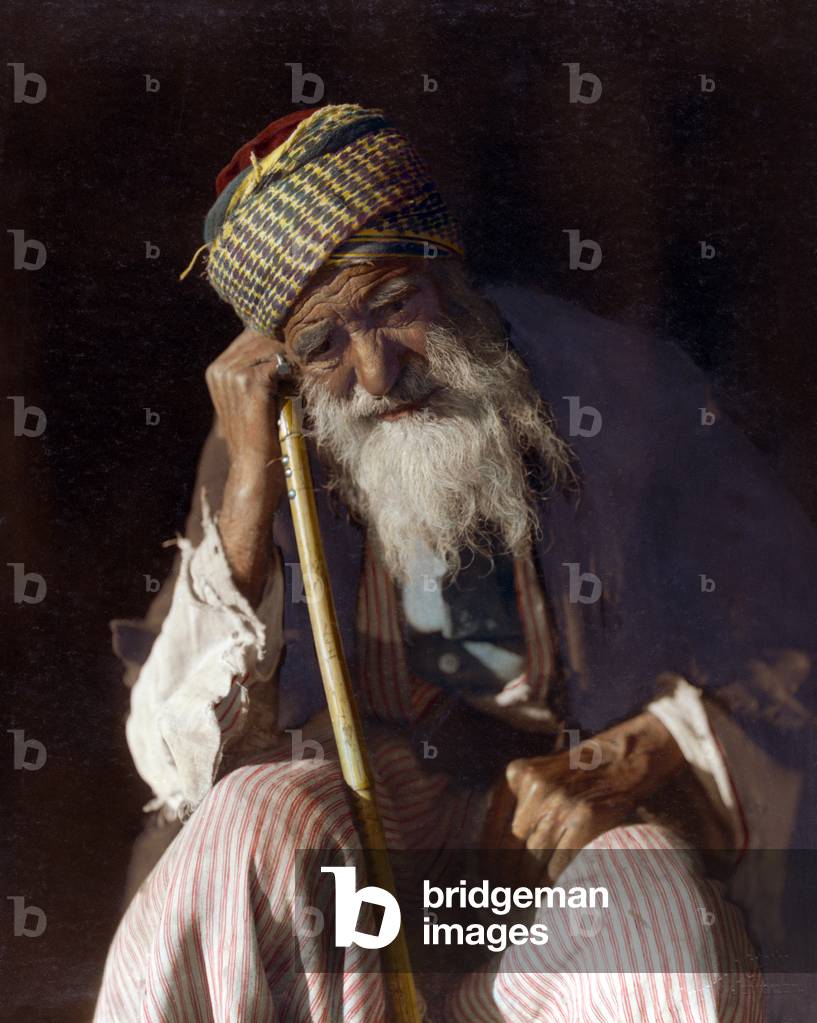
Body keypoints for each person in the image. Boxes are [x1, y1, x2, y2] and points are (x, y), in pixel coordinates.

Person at [95, 104, 817, 1022]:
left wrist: (657, 741)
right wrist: (245, 485)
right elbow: (174, 762)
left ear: (447, 268)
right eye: (322, 343)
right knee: (253, 814)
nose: (376, 370)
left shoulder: (623, 393)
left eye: (394, 304)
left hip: (561, 856)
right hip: (368, 877)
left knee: (653, 892)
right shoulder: (272, 446)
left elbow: (797, 627)